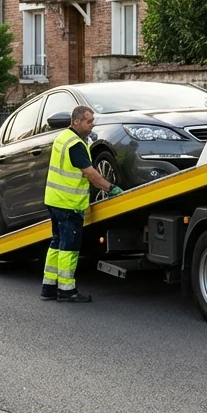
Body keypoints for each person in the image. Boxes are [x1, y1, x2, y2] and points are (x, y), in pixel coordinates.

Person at [42, 105, 121, 303]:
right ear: (75, 122)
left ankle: (49, 287)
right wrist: (109, 187)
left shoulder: (63, 137)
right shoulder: (75, 144)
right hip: (69, 204)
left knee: (57, 243)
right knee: (69, 247)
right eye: (88, 121)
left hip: (55, 200)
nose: (92, 125)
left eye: (92, 121)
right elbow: (89, 172)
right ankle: (67, 290)